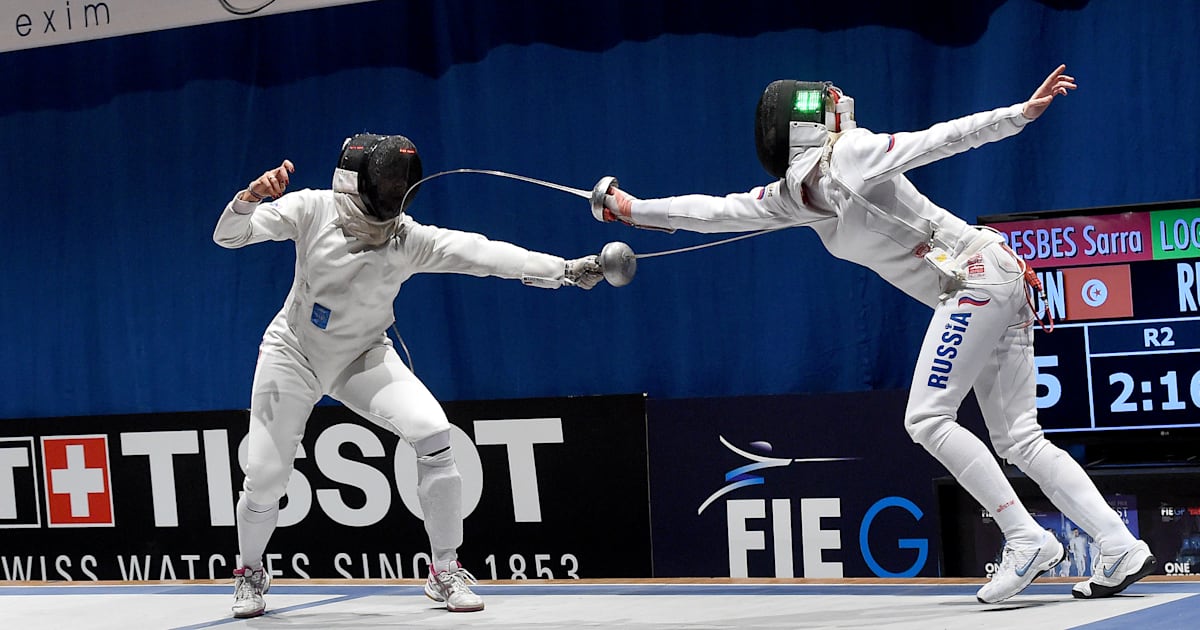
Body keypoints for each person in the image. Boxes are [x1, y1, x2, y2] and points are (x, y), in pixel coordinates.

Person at [592, 65, 1155, 603]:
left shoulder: (854, 154)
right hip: (984, 281)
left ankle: (1027, 540)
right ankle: (1118, 544)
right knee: (1018, 440)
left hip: (978, 275)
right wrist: (632, 209)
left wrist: (1019, 114)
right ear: (801, 127)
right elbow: (714, 212)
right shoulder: (793, 199)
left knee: (928, 418)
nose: (837, 102)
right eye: (821, 101)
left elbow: (938, 140)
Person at [213, 133, 606, 618]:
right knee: (266, 476)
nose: (395, 191)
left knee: (433, 432)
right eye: (387, 180)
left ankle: (444, 570)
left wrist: (564, 269)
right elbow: (228, 236)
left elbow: (482, 254)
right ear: (358, 182)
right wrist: (249, 199)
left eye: (401, 181)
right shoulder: (311, 209)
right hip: (294, 354)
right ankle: (250, 571)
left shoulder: (406, 239)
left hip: (362, 356)